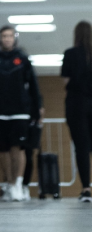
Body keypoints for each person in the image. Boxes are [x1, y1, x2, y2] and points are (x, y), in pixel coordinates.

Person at [0, 26, 42, 202]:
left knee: (18, 148)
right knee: (3, 149)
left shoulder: (22, 59)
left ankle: (17, 183)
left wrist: (38, 109)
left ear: (15, 38)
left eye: (10, 36)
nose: (7, 39)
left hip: (20, 111)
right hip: (0, 111)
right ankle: (8, 182)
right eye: (4, 36)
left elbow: (34, 85)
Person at [61, 20, 92, 202]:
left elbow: (66, 80)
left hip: (76, 104)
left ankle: (86, 189)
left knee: (82, 148)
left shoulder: (70, 54)